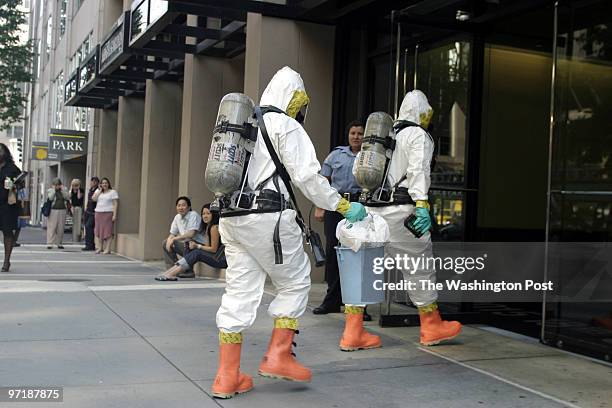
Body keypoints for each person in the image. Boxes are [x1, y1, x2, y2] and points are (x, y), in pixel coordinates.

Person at [212, 66, 366, 399]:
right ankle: (279, 356)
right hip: (269, 217)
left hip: (232, 218)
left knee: (238, 294)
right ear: (293, 98)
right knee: (295, 282)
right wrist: (342, 206)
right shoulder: (285, 125)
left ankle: (227, 376)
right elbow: (308, 178)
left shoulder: (245, 125)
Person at [365, 90, 462, 346]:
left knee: (364, 267)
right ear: (422, 113)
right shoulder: (417, 134)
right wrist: (421, 204)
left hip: (374, 210)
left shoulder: (385, 135)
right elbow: (418, 170)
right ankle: (431, 326)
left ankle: (353, 330)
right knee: (419, 268)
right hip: (403, 210)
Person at [313, 121, 372, 320]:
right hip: (336, 206)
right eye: (353, 133)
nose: (356, 137)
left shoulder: (370, 156)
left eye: (360, 133)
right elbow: (323, 182)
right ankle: (332, 300)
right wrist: (320, 206)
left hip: (359, 208)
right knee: (333, 252)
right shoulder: (336, 155)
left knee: (357, 253)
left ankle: (357, 306)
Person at [156, 204, 226, 281]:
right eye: (203, 214)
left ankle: (171, 273)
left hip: (221, 259)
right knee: (189, 243)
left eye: (208, 213)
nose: (205, 216)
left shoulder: (214, 227)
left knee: (197, 253)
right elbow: (208, 245)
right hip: (216, 256)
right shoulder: (208, 226)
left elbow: (213, 249)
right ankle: (171, 272)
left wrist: (198, 246)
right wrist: (194, 244)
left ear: (214, 214)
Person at [161, 196, 203, 279]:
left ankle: (188, 271)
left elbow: (191, 234)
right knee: (165, 242)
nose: (181, 207)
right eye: (178, 205)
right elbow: (172, 234)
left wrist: (174, 239)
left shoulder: (193, 215)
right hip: (187, 245)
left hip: (197, 246)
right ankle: (173, 270)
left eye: (183, 205)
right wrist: (169, 241)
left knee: (187, 243)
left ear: (189, 207)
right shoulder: (177, 217)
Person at [0, 143, 23, 272]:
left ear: (5, 153)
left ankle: (6, 261)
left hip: (8, 205)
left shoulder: (12, 168)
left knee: (8, 233)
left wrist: (15, 184)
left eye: (0, 151)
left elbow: (22, 183)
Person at [92, 177, 118, 254]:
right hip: (98, 213)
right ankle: (100, 247)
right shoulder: (98, 191)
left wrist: (114, 215)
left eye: (106, 183)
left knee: (108, 231)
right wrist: (100, 191)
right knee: (99, 231)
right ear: (101, 184)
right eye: (103, 183)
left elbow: (115, 204)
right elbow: (93, 199)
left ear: (108, 184)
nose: (104, 184)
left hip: (108, 213)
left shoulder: (112, 192)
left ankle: (108, 248)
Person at [46, 178, 70, 250]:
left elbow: (67, 197)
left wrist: (62, 190)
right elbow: (50, 198)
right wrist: (53, 190)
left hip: (62, 210)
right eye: (55, 185)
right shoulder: (50, 190)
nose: (57, 186)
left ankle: (59, 243)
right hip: (53, 210)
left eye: (58, 184)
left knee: (61, 227)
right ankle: (50, 243)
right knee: (52, 227)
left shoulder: (64, 189)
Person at [82, 177, 99, 251]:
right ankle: (88, 244)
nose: (93, 183)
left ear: (97, 183)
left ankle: (90, 245)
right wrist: (86, 208)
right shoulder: (90, 190)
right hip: (88, 211)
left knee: (89, 227)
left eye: (95, 182)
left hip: (93, 212)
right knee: (87, 228)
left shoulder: (97, 190)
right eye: (92, 181)